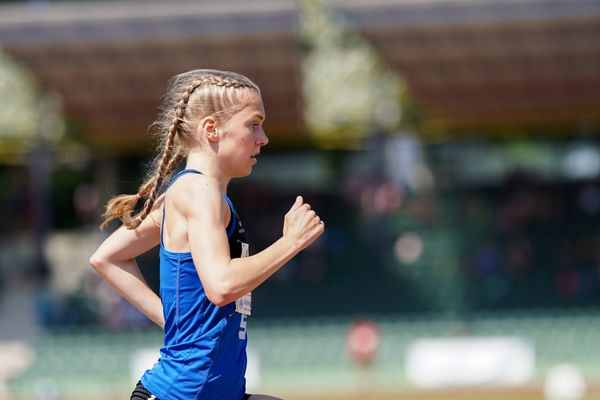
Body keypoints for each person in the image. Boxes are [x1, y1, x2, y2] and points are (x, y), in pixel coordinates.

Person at [90, 69, 325, 400]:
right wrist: (291, 242)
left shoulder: (191, 192)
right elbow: (222, 286)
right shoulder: (198, 191)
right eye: (253, 124)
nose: (263, 138)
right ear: (212, 129)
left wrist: (173, 324)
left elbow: (107, 258)